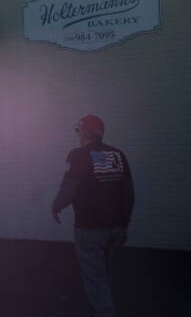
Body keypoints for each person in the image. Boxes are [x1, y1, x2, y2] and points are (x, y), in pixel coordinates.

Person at [51, 114, 135, 317]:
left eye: (78, 131)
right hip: (115, 227)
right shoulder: (118, 155)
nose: (78, 135)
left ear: (84, 132)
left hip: (89, 229)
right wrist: (124, 225)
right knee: (105, 272)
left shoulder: (78, 155)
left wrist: (56, 205)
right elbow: (129, 193)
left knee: (94, 279)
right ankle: (106, 305)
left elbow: (69, 189)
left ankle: (105, 312)